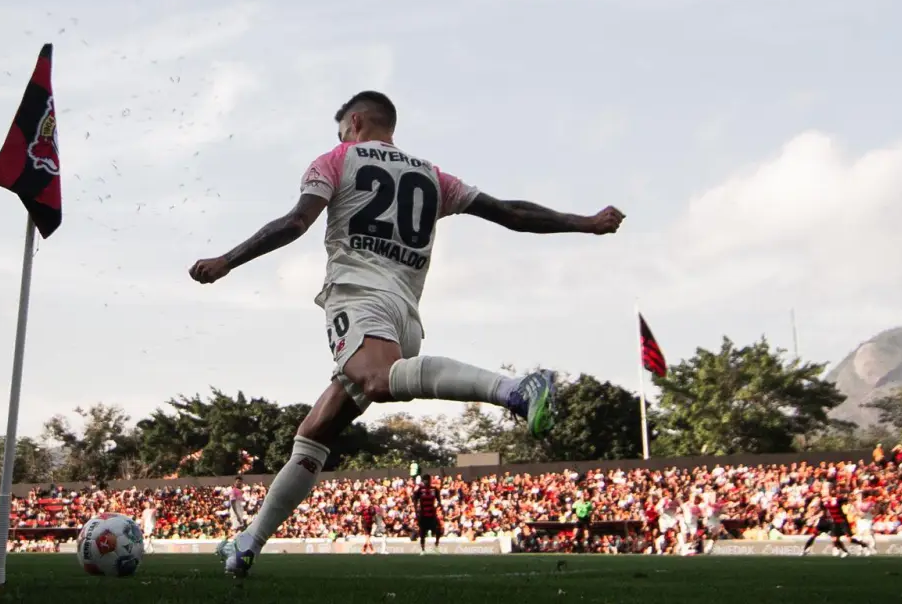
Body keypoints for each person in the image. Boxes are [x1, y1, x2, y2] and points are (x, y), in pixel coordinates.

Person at [194, 91, 624, 577]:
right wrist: (585, 223)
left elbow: (296, 222)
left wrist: (227, 260)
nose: (339, 138)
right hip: (406, 318)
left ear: (354, 121)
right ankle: (248, 542)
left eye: (341, 130)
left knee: (378, 381)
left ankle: (513, 390)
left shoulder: (336, 160)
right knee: (314, 433)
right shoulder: (433, 176)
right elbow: (511, 213)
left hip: (359, 300)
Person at [412, 475, 442, 554]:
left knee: (439, 529)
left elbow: (439, 501)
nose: (426, 481)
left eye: (428, 480)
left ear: (430, 480)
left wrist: (438, 506)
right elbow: (414, 499)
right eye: (425, 480)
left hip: (432, 514)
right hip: (423, 514)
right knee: (422, 532)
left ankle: (436, 546)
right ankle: (422, 549)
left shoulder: (434, 489)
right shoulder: (420, 490)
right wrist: (416, 510)